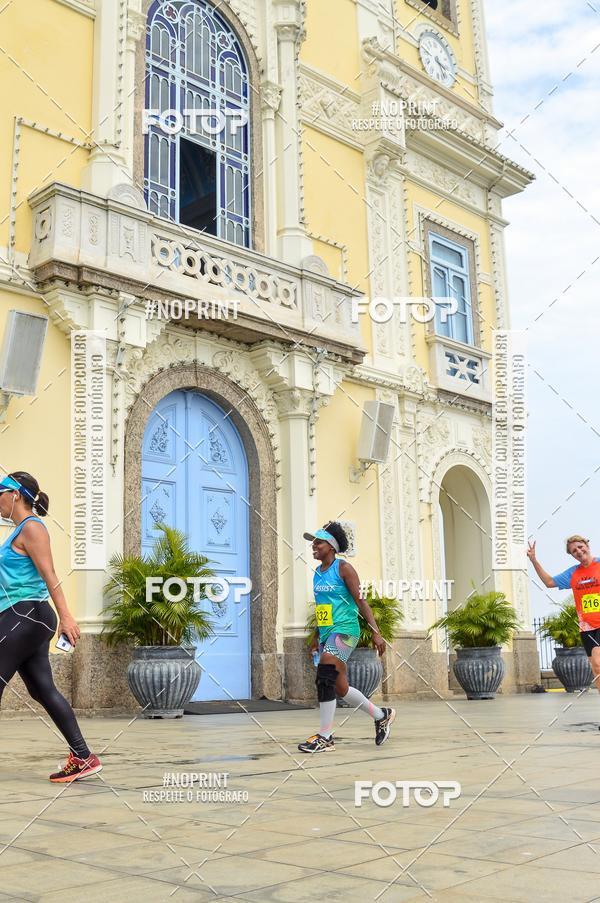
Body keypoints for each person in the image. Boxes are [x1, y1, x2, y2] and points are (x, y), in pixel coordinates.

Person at [0, 472, 102, 781]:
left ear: (15, 494)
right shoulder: (18, 531)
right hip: (26, 617)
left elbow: (50, 575)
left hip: (27, 614)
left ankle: (83, 756)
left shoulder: (32, 528)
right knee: (42, 689)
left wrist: (67, 616)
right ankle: (83, 757)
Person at [298, 521, 395, 753]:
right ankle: (381, 715)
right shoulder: (317, 574)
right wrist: (316, 636)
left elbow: (361, 601)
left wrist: (376, 632)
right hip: (328, 633)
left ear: (331, 546)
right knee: (340, 688)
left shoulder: (344, 569)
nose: (313, 546)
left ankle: (325, 737)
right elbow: (323, 609)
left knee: (325, 674)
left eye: (318, 543)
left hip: (346, 631)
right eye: (313, 543)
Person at [527, 535, 600, 692]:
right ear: (572, 555)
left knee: (598, 661)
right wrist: (533, 560)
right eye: (574, 551)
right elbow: (549, 582)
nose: (578, 551)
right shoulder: (573, 573)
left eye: (580, 547)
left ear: (587, 546)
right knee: (596, 668)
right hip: (586, 628)